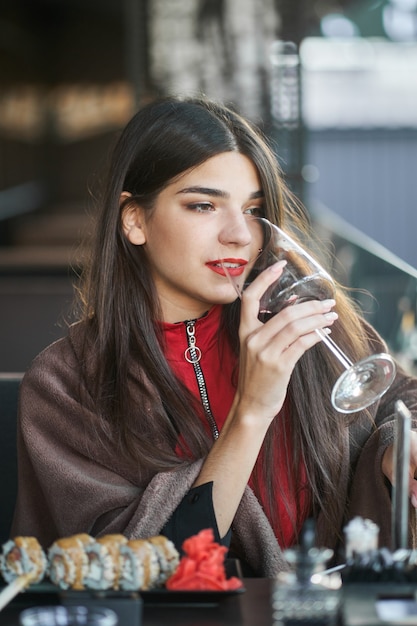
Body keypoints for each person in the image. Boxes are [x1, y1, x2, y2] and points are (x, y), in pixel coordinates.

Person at [12, 95, 417, 577]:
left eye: (253, 209)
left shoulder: (304, 324)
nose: (239, 236)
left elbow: (399, 400)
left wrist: (400, 452)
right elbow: (135, 570)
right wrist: (253, 409)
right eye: (203, 205)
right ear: (134, 220)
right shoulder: (66, 382)